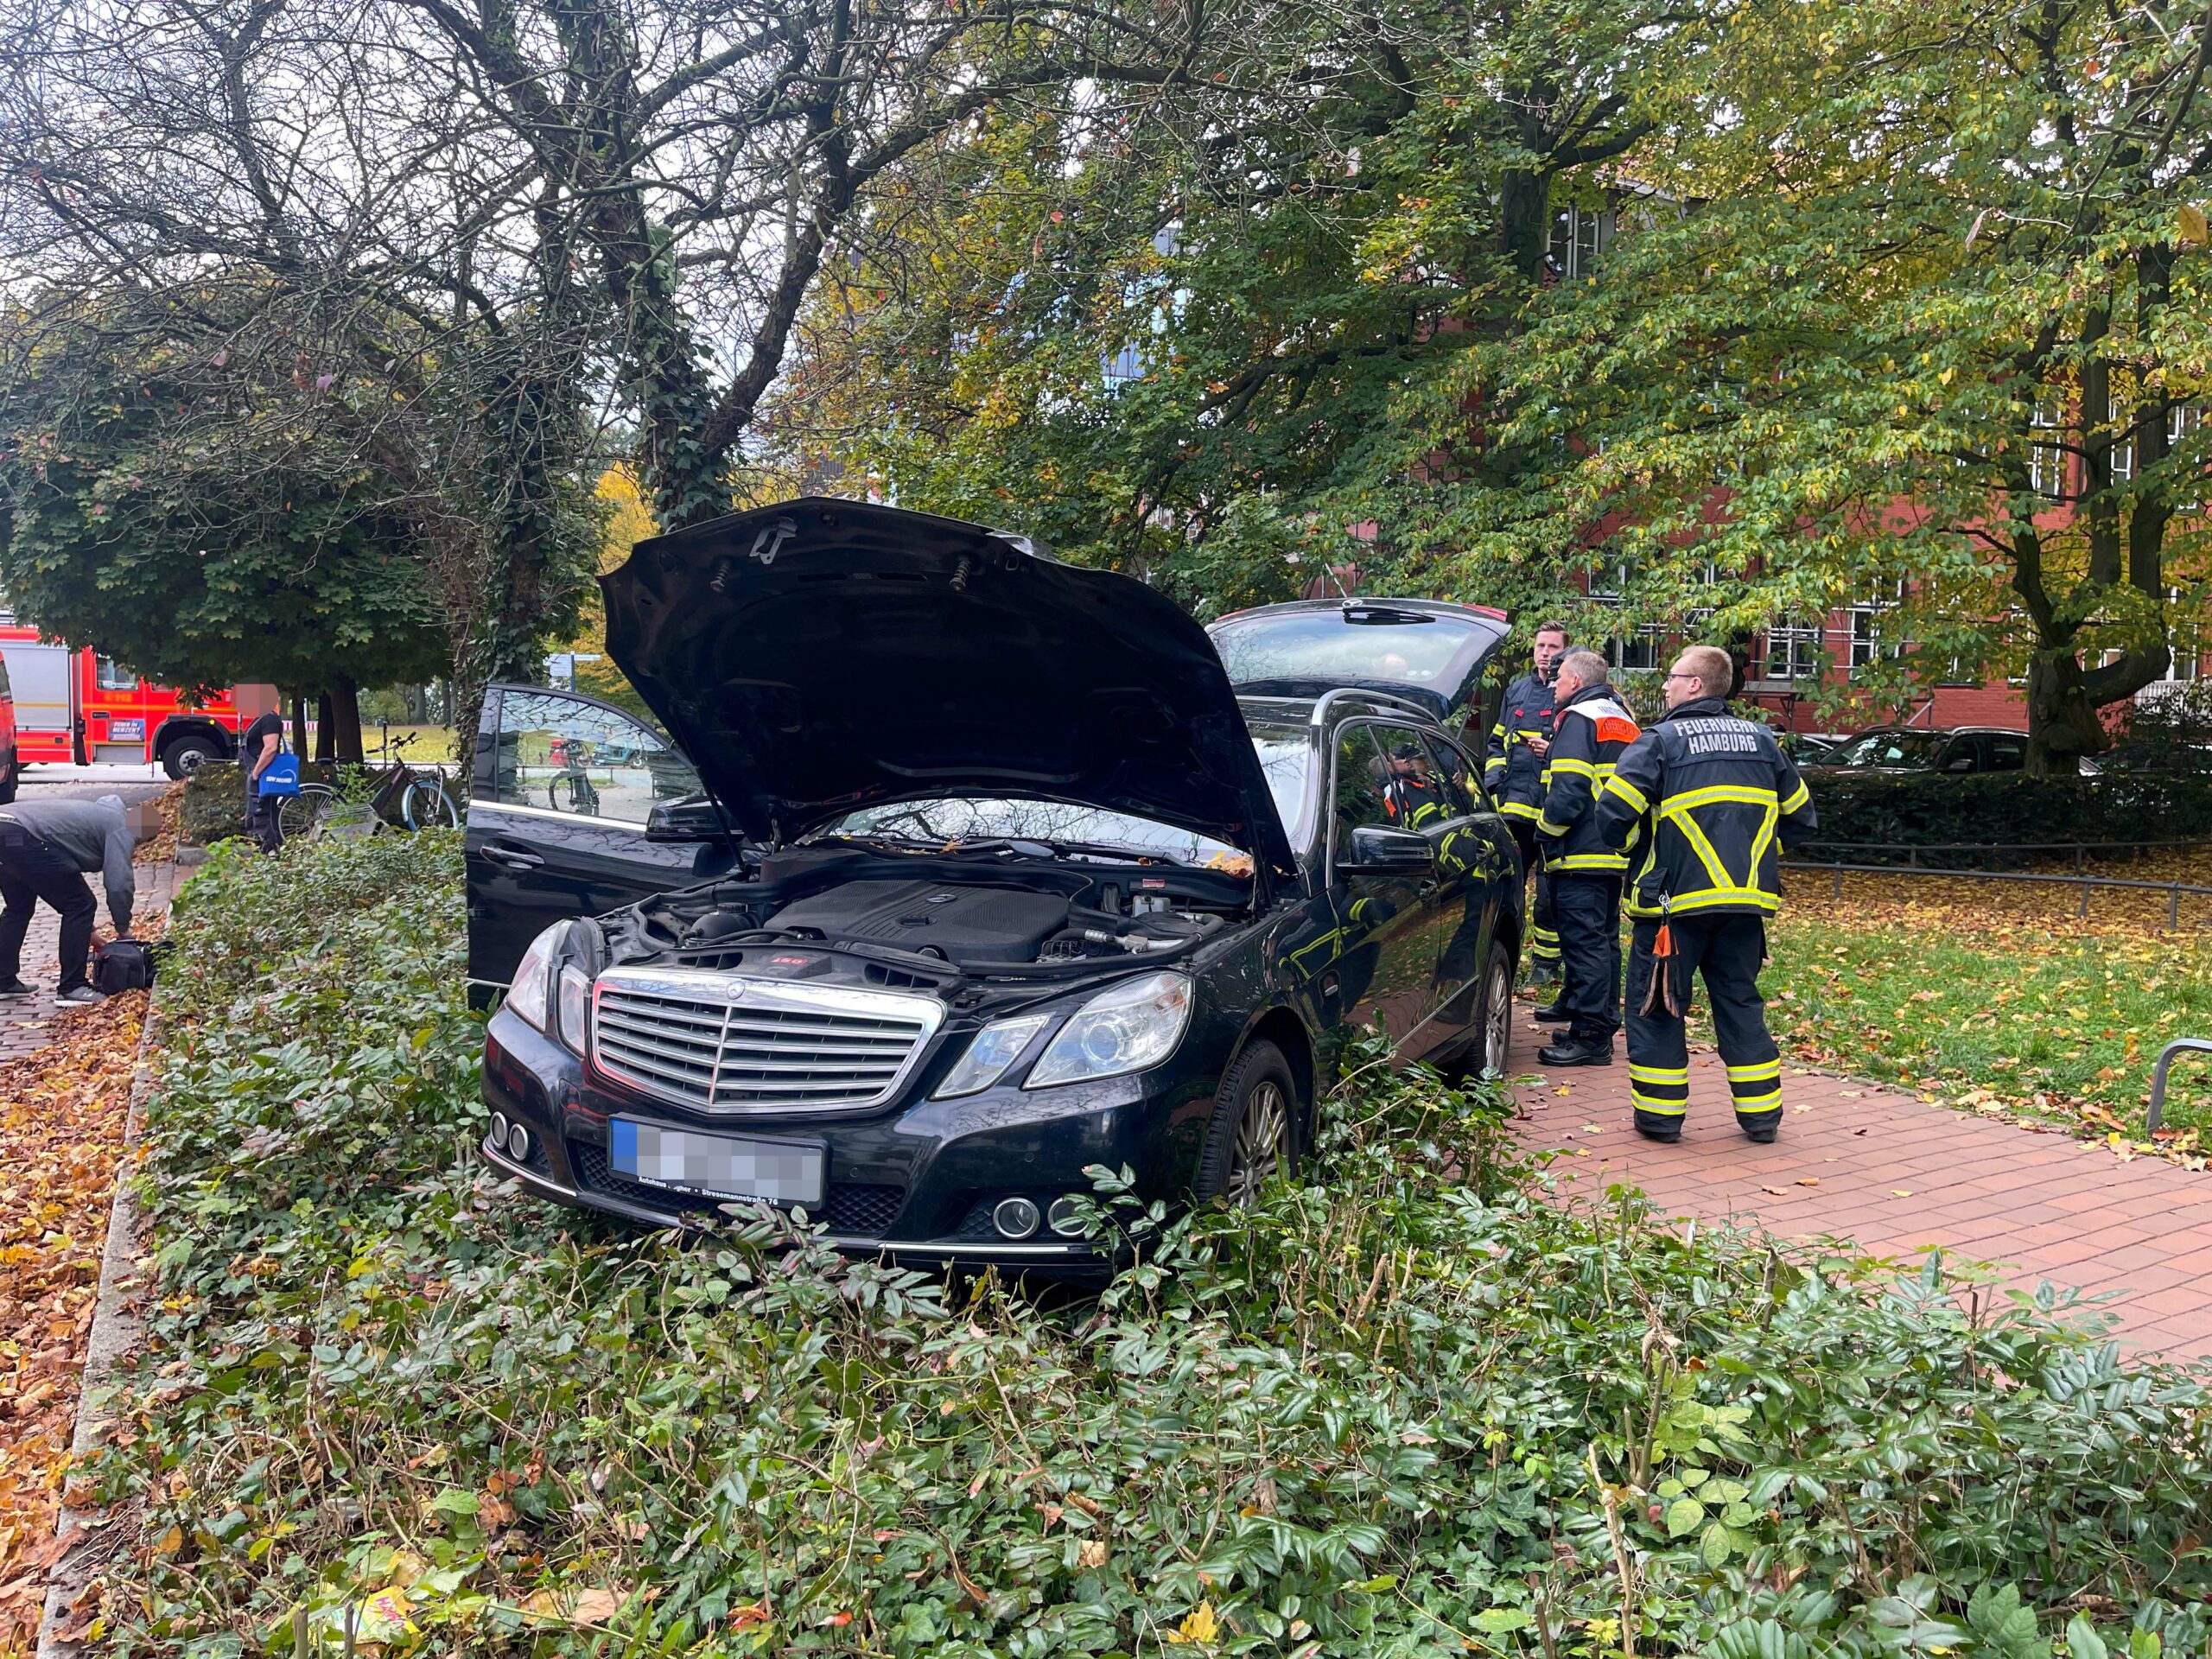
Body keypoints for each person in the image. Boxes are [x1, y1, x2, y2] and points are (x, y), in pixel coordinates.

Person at [1595, 645, 1818, 1142]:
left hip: (1673, 909)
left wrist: (1642, 851)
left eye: (1672, 677)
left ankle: (1659, 1120)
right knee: (1739, 1002)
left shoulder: (1660, 741)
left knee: (1657, 1007)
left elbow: (1612, 817)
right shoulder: (1764, 741)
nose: (1666, 686)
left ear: (1695, 684)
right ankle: (1762, 1121)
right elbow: (1801, 820)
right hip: (1744, 907)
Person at [1530, 649, 1641, 1065]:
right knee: (1604, 944)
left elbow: (1570, 789)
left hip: (1580, 851)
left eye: (1558, 679)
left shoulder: (1579, 718)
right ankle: (1596, 1019)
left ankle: (1592, 1037)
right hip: (1611, 852)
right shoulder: (1621, 717)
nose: (1553, 684)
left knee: (1585, 946)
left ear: (1575, 681)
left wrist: (1544, 832)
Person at [1484, 621, 1568, 982]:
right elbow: (1495, 743)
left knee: (1549, 894)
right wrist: (1494, 785)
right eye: (1540, 646)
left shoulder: (1570, 691)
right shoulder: (1517, 690)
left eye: (1552, 647)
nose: (1545, 653)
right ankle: (1509, 960)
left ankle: (1546, 966)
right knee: (1510, 889)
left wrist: (1552, 752)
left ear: (1565, 652)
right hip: (1513, 808)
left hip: (1552, 811)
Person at [0, 793, 143, 1003]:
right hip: (24, 835)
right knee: (81, 905)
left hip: (7, 826)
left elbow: (64, 878)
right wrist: (123, 928)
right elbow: (119, 883)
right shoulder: (121, 827)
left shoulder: (92, 815)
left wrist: (90, 932)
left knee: (19, 907)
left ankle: (3, 980)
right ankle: (72, 987)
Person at [238, 687, 285, 854]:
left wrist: (256, 773)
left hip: (262, 775)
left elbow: (271, 748)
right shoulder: (261, 718)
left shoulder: (269, 719)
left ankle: (271, 858)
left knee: (263, 819)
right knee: (253, 819)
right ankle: (262, 858)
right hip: (257, 774)